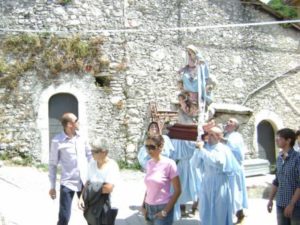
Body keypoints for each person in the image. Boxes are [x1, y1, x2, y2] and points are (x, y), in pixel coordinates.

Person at [48, 112, 92, 225]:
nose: (78, 122)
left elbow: (89, 156)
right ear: (69, 124)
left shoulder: (82, 137)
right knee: (64, 217)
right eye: (76, 120)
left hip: (84, 182)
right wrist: (52, 187)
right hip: (67, 183)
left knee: (91, 215)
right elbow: (52, 164)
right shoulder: (57, 141)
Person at [195, 126, 238, 225]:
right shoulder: (206, 148)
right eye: (208, 134)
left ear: (219, 137)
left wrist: (202, 150)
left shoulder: (223, 149)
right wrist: (197, 151)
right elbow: (196, 164)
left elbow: (217, 162)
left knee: (219, 212)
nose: (208, 137)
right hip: (207, 182)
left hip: (219, 182)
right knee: (206, 209)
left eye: (212, 135)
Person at [78, 138, 120, 225]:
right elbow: (87, 182)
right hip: (92, 205)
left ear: (104, 152)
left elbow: (108, 188)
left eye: (94, 151)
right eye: (91, 150)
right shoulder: (92, 164)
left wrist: (91, 189)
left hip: (108, 207)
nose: (91, 153)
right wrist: (81, 197)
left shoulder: (112, 165)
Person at [141, 134, 181, 225]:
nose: (148, 150)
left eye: (152, 147)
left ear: (161, 146)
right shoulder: (149, 163)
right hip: (148, 207)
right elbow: (149, 187)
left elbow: (178, 190)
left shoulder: (169, 164)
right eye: (146, 147)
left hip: (162, 207)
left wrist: (165, 211)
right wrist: (143, 205)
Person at [267, 128, 300, 225]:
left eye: (279, 138)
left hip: (296, 206)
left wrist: (291, 204)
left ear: (288, 140)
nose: (276, 140)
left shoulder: (298, 158)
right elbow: (276, 181)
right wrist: (270, 200)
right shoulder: (279, 159)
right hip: (280, 203)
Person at [224, 118, 248, 223]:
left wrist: (221, 140)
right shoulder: (226, 135)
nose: (227, 123)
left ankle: (240, 214)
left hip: (235, 168)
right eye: (227, 121)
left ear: (235, 126)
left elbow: (235, 148)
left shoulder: (237, 136)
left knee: (236, 191)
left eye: (231, 122)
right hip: (226, 168)